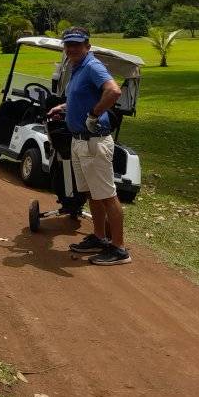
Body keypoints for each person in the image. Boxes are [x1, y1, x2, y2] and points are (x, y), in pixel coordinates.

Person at [47, 26, 130, 266]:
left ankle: (119, 248)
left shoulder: (92, 66)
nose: (72, 48)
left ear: (87, 46)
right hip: (80, 141)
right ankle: (99, 237)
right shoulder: (77, 67)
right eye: (68, 44)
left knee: (106, 194)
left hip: (94, 142)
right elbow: (81, 98)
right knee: (92, 193)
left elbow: (113, 92)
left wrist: (94, 114)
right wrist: (63, 108)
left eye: (77, 44)